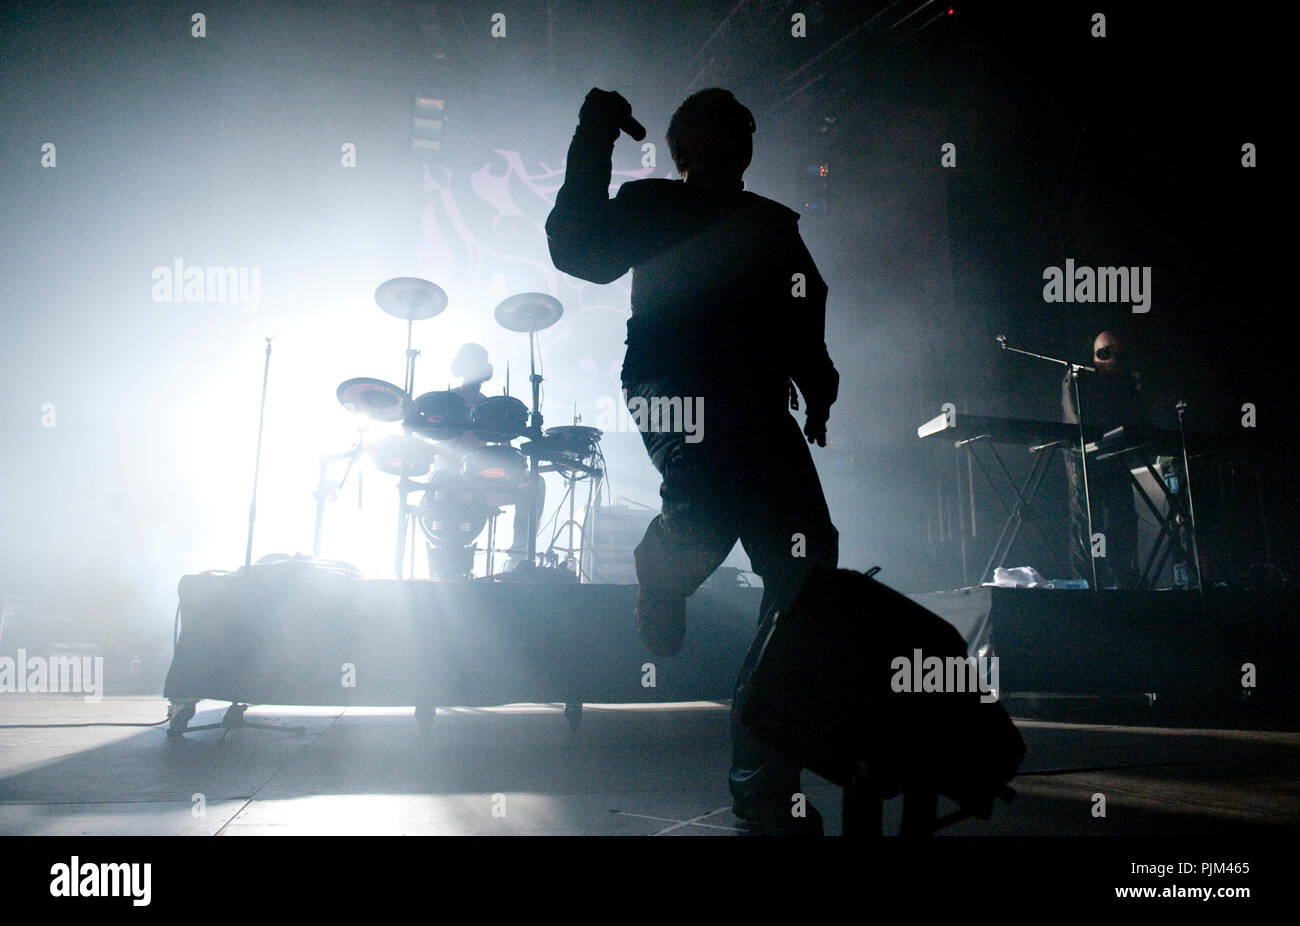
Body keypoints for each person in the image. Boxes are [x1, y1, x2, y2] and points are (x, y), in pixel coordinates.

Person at [545, 87, 840, 835]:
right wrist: (593, 136)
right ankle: (665, 564)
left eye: (745, 128)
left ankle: (766, 785)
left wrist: (817, 382)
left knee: (807, 571)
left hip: (758, 404)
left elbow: (807, 299)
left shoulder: (770, 224)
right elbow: (577, 249)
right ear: (688, 148)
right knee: (708, 504)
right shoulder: (654, 206)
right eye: (724, 130)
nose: (740, 139)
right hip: (675, 388)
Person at [437, 343, 544, 573]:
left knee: (535, 485)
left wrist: (514, 465)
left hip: (481, 482)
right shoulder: (446, 401)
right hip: (447, 481)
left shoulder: (489, 406)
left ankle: (518, 559)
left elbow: (503, 447)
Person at [1061, 330, 1149, 588]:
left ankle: (1124, 578)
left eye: (1117, 354)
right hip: (1084, 461)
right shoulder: (1079, 379)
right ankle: (1089, 584)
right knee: (1089, 522)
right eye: (1105, 353)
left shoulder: (1125, 384)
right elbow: (1074, 419)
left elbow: (1139, 419)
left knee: (1123, 517)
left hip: (1115, 458)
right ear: (1095, 356)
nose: (1112, 360)